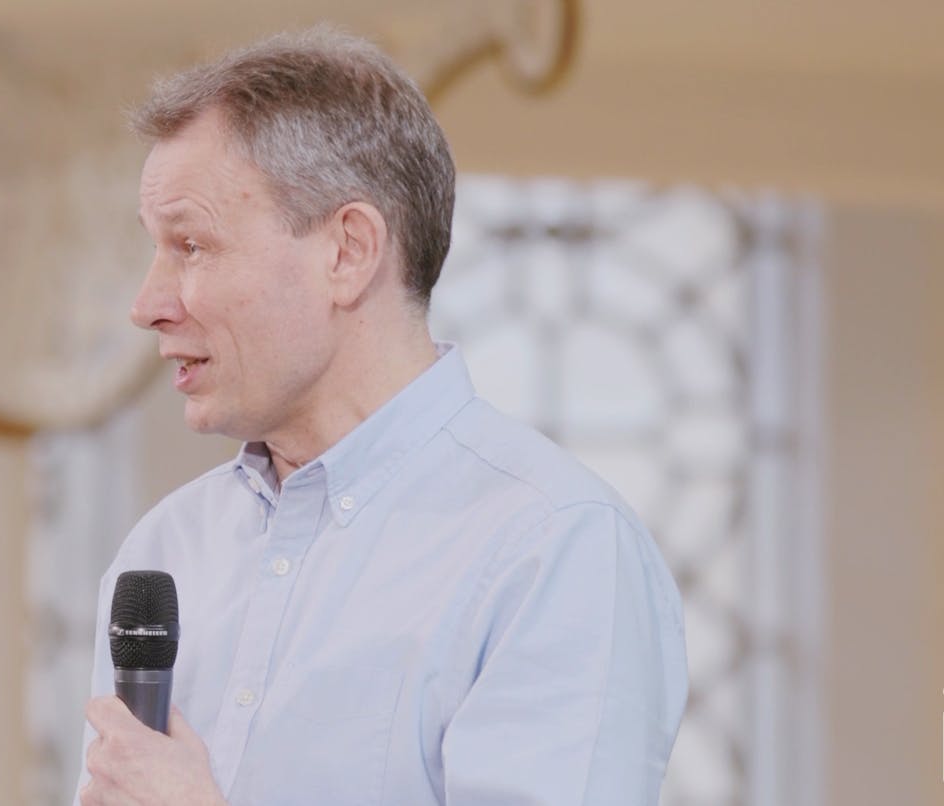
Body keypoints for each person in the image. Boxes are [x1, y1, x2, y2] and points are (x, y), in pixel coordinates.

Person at [75, 28, 687, 806]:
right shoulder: (168, 548)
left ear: (348, 252)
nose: (148, 306)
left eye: (191, 245)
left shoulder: (553, 546)